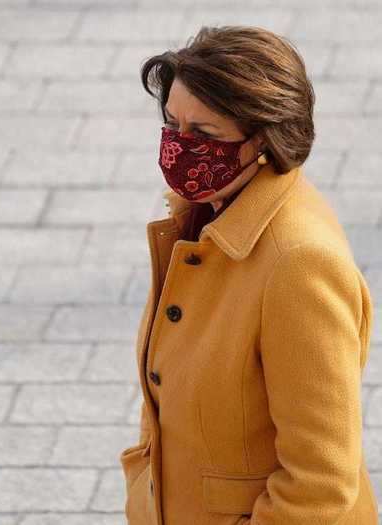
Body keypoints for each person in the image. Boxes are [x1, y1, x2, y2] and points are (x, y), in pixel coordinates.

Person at [120, 26, 379, 524]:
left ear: (262, 139)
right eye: (173, 124)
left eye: (206, 134)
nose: (179, 147)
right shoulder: (201, 215)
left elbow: (319, 484)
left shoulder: (299, 264)